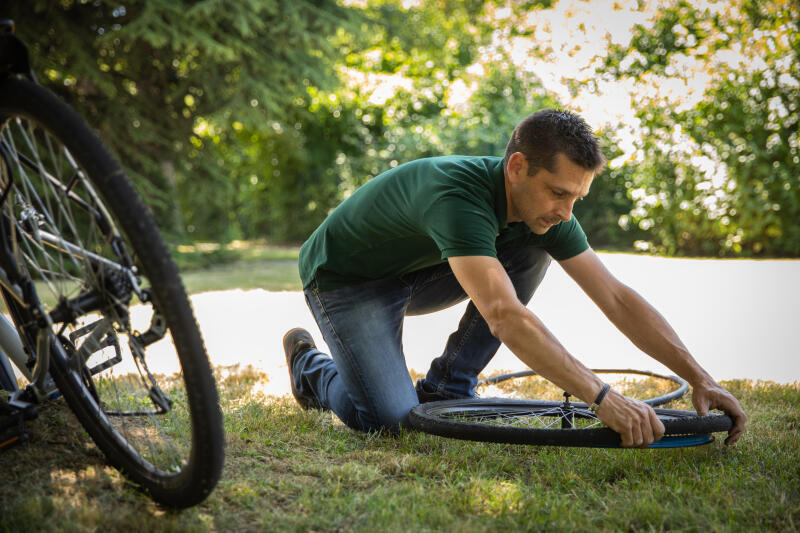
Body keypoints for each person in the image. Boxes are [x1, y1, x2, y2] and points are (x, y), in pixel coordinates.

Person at [282, 109, 746, 447]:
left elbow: (616, 297)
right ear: (518, 167)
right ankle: (311, 368)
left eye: (577, 198)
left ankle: (448, 386)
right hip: (347, 280)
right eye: (559, 193)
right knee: (390, 419)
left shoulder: (547, 214)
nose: (566, 211)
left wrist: (699, 376)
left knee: (531, 245)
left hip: (422, 271)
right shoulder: (458, 196)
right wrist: (601, 398)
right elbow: (504, 315)